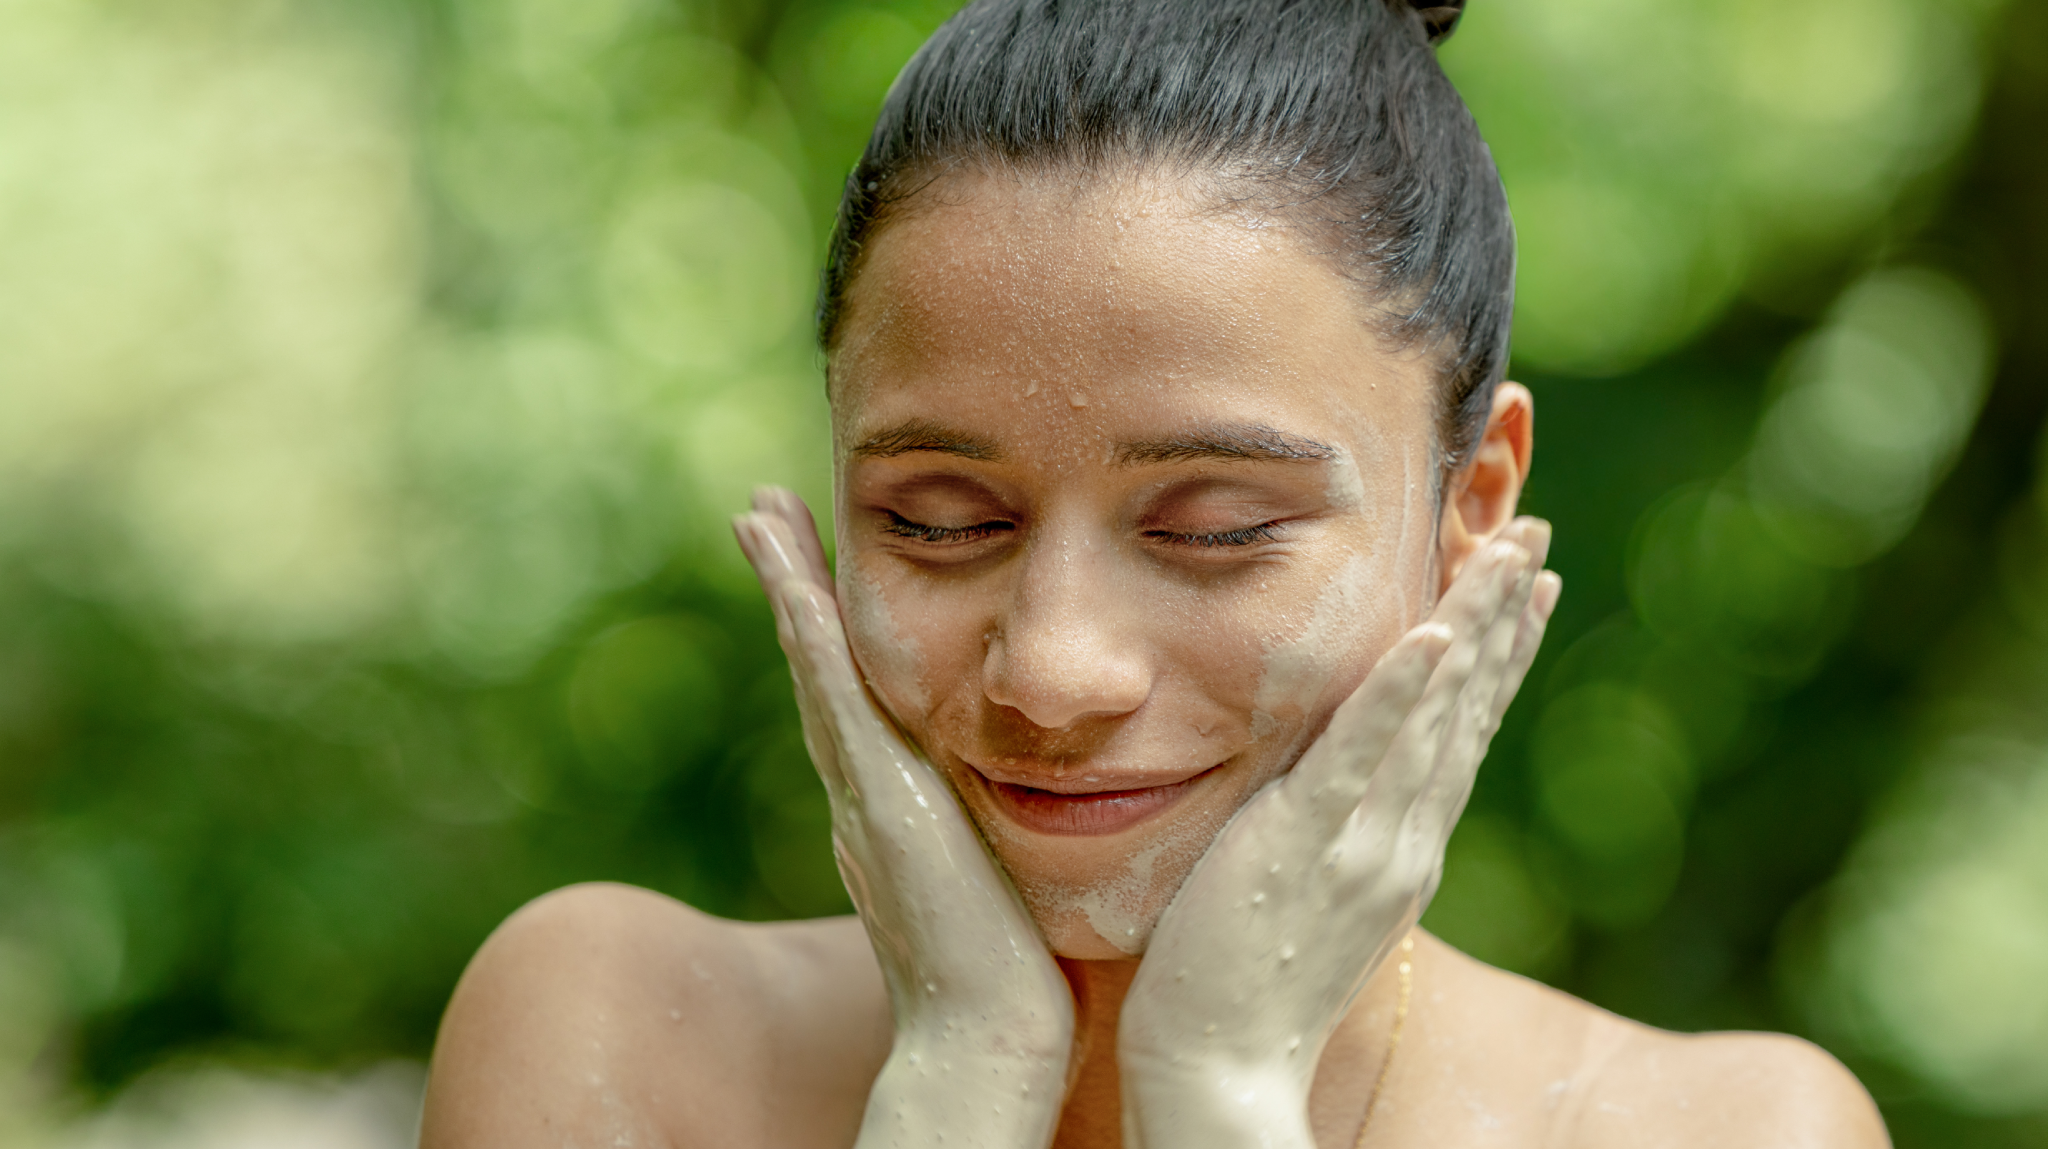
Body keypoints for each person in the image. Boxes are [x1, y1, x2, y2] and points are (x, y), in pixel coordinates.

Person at [418, 1, 1889, 1145]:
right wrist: (956, 1083)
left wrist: (1224, 1096)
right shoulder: (614, 1037)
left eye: (1212, 531)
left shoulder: (1714, 1132)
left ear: (1471, 507)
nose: (1053, 669)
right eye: (937, 520)